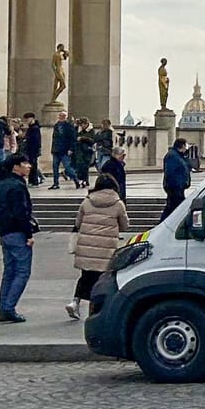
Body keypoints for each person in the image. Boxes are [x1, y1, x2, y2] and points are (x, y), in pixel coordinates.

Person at [66, 173, 129, 320]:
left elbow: (78, 222)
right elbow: (125, 226)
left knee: (85, 276)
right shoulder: (118, 204)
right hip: (106, 247)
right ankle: (94, 310)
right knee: (102, 279)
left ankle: (75, 302)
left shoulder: (87, 201)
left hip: (86, 246)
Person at [0, 154, 38, 322]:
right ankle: (8, 308)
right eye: (25, 163)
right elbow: (21, 213)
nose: (29, 166)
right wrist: (28, 234)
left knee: (9, 272)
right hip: (17, 232)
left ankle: (3, 306)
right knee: (22, 272)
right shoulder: (17, 187)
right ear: (16, 167)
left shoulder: (2, 183)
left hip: (5, 232)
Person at [162, 138, 191, 217]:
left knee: (172, 209)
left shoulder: (179, 156)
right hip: (175, 188)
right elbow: (171, 173)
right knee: (174, 208)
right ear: (182, 146)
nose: (186, 147)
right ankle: (162, 225)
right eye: (186, 145)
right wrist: (178, 185)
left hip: (178, 188)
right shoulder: (172, 156)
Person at [49, 111, 77, 189]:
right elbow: (54, 139)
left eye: (63, 116)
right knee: (55, 167)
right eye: (60, 115)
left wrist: (71, 149)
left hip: (65, 150)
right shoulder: (56, 125)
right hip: (56, 150)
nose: (61, 117)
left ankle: (76, 179)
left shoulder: (69, 126)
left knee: (67, 167)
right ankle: (56, 183)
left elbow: (73, 139)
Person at [20, 113, 43, 187]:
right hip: (30, 149)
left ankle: (34, 181)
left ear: (32, 118)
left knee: (33, 165)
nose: (27, 121)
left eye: (28, 119)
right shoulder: (31, 128)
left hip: (33, 149)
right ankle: (32, 181)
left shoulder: (35, 128)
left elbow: (36, 140)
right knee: (31, 165)